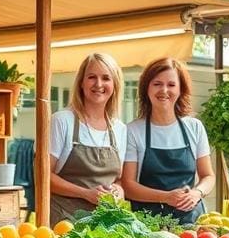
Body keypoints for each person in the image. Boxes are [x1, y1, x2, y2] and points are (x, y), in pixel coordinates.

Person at [121, 57, 215, 225]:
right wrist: (165, 197)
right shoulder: (133, 131)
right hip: (147, 224)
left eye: (171, 85)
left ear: (180, 90)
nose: (164, 90)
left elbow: (208, 176)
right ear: (146, 88)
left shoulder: (194, 127)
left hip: (190, 223)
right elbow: (128, 185)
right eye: (157, 84)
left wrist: (197, 193)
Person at [49, 52, 128, 222]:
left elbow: (120, 179)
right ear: (81, 83)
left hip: (105, 224)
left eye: (106, 78)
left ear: (114, 84)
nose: (99, 84)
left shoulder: (119, 129)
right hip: (65, 221)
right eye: (92, 77)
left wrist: (118, 191)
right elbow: (42, 176)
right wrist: (85, 193)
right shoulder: (62, 121)